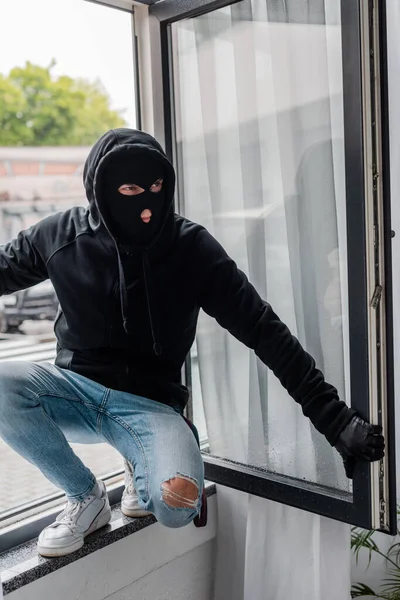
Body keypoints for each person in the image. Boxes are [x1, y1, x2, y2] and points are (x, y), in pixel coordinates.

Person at [0, 129, 384, 558]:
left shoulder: (191, 248)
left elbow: (263, 329)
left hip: (152, 408)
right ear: (100, 192)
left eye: (156, 187)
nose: (145, 203)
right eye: (128, 189)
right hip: (75, 394)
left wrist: (335, 421)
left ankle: (143, 464)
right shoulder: (60, 237)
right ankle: (84, 496)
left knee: (176, 504)